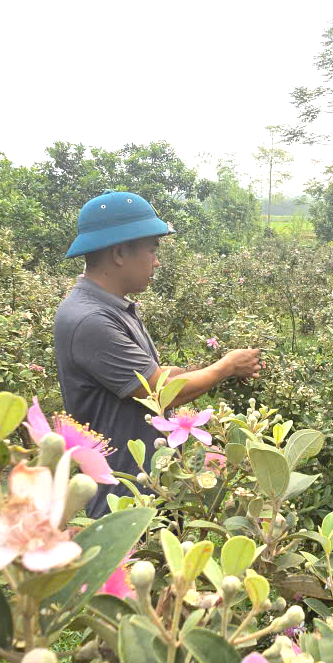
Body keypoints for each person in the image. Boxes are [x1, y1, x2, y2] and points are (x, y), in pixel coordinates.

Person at [53, 190, 261, 516]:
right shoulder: (91, 319)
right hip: (122, 498)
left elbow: (151, 375)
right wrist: (226, 367)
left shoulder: (109, 307)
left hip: (146, 485)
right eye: (152, 250)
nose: (157, 261)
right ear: (120, 252)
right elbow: (159, 391)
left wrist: (198, 370)